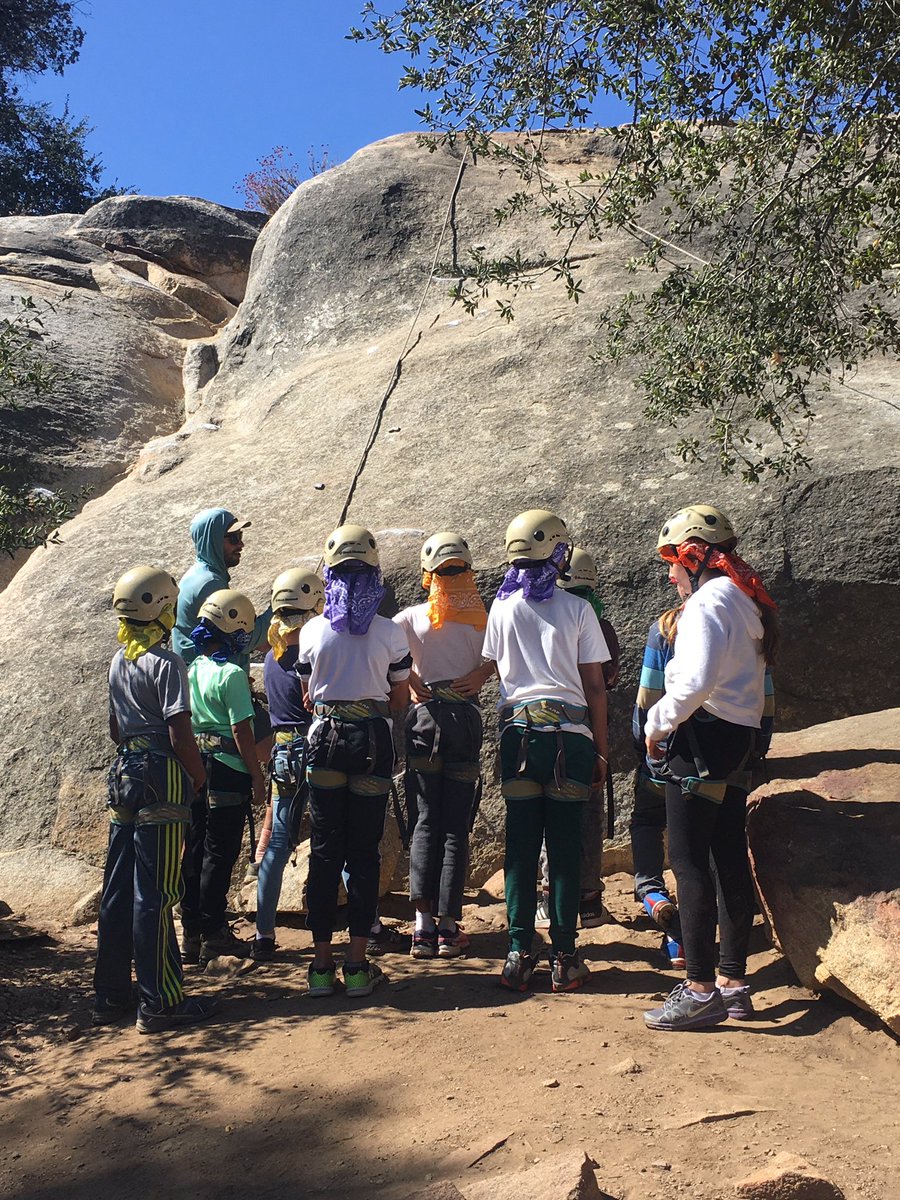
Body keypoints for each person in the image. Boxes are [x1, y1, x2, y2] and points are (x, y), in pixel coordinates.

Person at [641, 504, 779, 1031]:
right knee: (726, 856)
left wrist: (656, 726)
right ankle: (733, 982)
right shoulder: (744, 600)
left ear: (694, 557)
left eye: (674, 561)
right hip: (735, 740)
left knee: (689, 861)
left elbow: (693, 683)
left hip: (699, 739)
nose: (671, 573)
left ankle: (699, 988)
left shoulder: (706, 604)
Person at [482, 510, 611, 994]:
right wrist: (601, 749)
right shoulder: (578, 609)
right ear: (558, 553)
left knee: (519, 848)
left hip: (518, 737)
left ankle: (518, 953)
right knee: (563, 846)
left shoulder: (501, 609)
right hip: (570, 738)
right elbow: (594, 687)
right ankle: (564, 956)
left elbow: (501, 677)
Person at [94, 566, 217, 1034]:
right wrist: (198, 776)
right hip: (161, 776)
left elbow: (114, 729)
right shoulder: (167, 664)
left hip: (123, 772)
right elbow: (179, 733)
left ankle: (110, 995)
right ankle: (161, 1001)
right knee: (157, 893)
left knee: (118, 889)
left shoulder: (118, 661)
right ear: (163, 609)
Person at [297, 524, 411, 999]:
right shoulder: (389, 632)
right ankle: (358, 965)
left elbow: (307, 692)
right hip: (371, 742)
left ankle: (321, 968)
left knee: (325, 850)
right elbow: (400, 695)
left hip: (323, 741)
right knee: (364, 852)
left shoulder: (311, 630)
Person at [394, 531, 494, 960]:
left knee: (424, 821)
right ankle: (450, 928)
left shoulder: (410, 618)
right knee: (455, 824)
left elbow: (386, 656)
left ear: (426, 575)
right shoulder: (482, 619)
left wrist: (412, 681)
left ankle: (421, 927)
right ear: (467, 571)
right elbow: (503, 655)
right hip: (464, 721)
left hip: (425, 719)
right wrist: (483, 673)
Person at [535, 547, 621, 932]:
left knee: (545, 815)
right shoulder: (601, 626)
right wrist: (602, 750)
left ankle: (546, 901)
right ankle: (588, 902)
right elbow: (605, 683)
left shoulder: (549, 614)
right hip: (587, 731)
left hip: (544, 728)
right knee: (587, 815)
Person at [181, 589, 268, 967]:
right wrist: (257, 776)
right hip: (229, 771)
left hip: (197, 768)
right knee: (220, 851)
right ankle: (214, 932)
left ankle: (192, 931)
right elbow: (241, 732)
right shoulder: (231, 674)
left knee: (196, 847)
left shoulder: (192, 669)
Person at [250, 567, 325, 961]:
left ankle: (263, 933)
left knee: (278, 843)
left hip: (283, 752)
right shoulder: (311, 650)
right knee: (336, 836)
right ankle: (372, 927)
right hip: (318, 746)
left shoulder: (272, 653)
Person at [172, 507, 271, 670]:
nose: (241, 544)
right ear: (213, 540)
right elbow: (244, 640)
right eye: (233, 538)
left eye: (240, 535)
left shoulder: (199, 574)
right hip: (214, 687)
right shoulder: (210, 584)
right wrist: (279, 608)